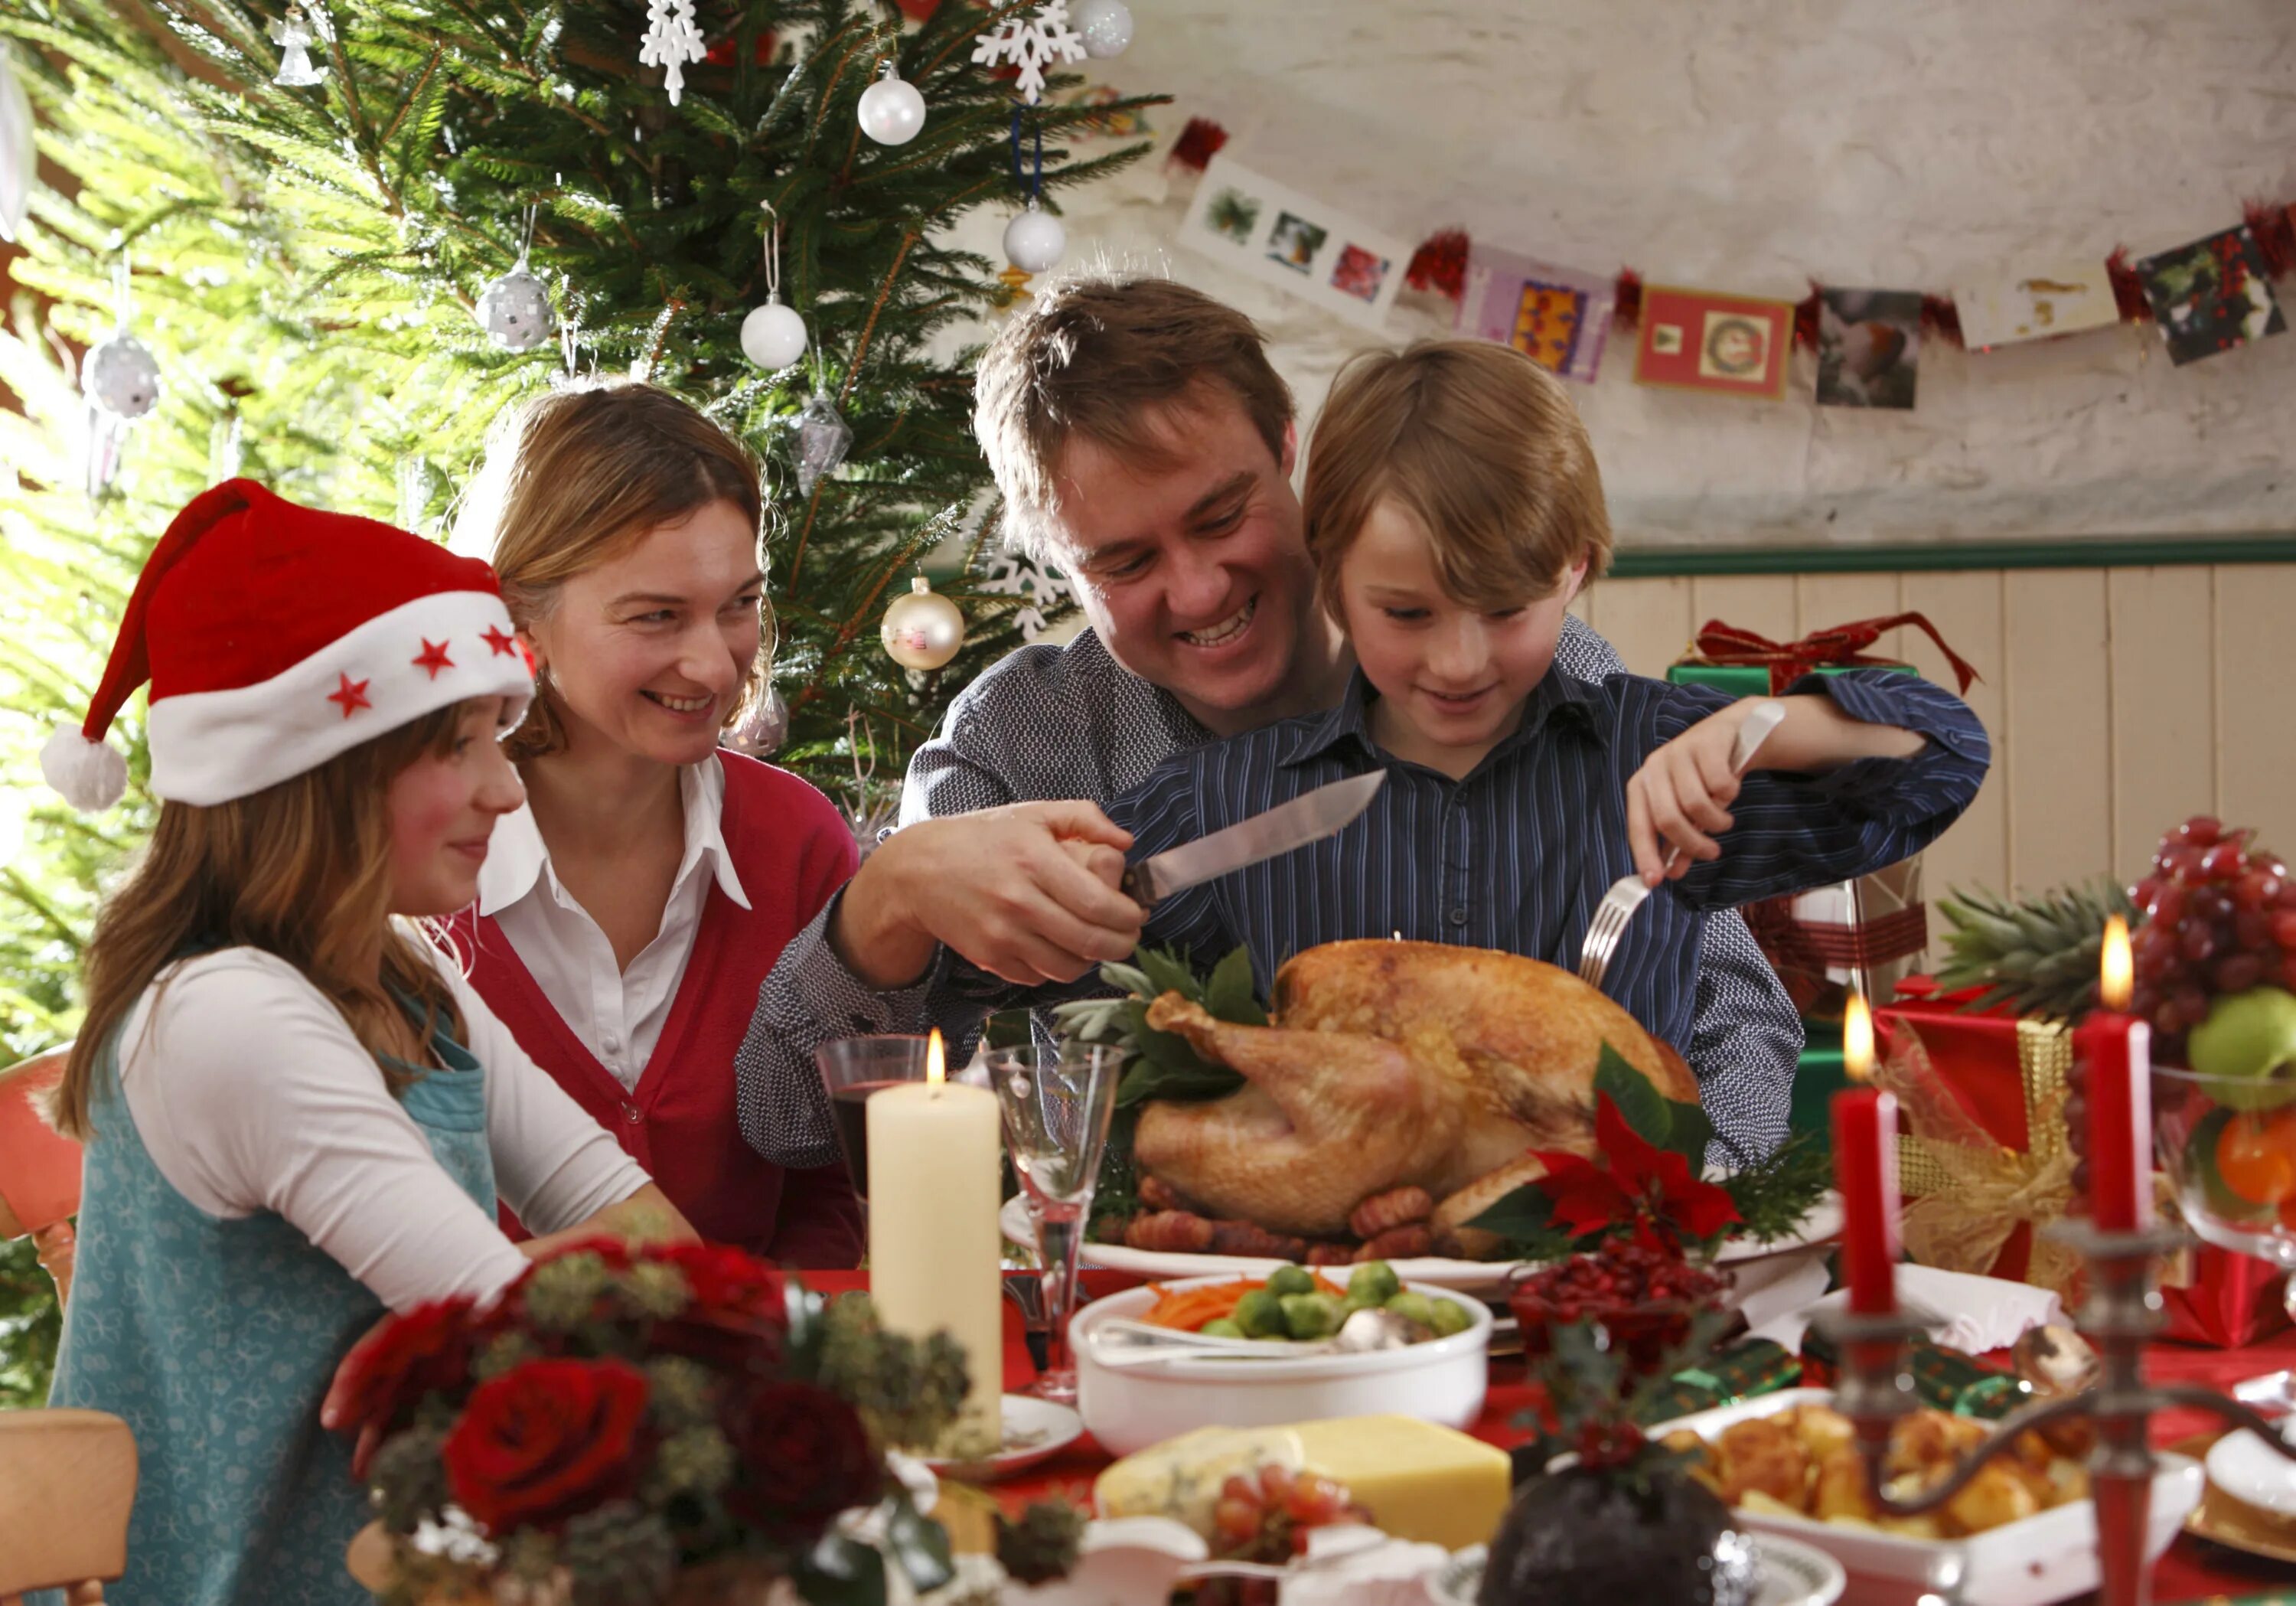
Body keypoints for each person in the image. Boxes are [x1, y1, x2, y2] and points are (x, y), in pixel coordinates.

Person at [737, 276, 1808, 1167]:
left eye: (1222, 514)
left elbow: (1737, 1024)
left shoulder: (1531, 681)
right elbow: (785, 1126)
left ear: (1288, 448)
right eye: (1125, 561)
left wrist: (1674, 1199)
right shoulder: (1014, 745)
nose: (1199, 591)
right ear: (1056, 563)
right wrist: (887, 904)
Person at [934, 338, 1990, 1054]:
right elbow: (1023, 998)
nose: (1458, 661)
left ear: (1574, 567)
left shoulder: (1657, 771)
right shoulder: (1220, 800)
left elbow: (1943, 758)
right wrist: (1019, 900)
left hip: (1619, 1278)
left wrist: (1765, 724)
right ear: (1330, 567)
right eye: (1407, 615)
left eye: (1505, 609)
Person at [34, 480, 693, 1606]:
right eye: (455, 746)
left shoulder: (402, 970)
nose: (503, 788)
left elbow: (656, 1239)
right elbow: (520, 1348)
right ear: (314, 774)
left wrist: (546, 1287)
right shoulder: (227, 1016)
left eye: (499, 737)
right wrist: (561, 1282)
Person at [443, 383, 862, 1267]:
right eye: (657, 616)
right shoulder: (418, 867)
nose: (716, 665)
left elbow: (836, 1188)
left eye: (740, 604)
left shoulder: (796, 842)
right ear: (524, 622)